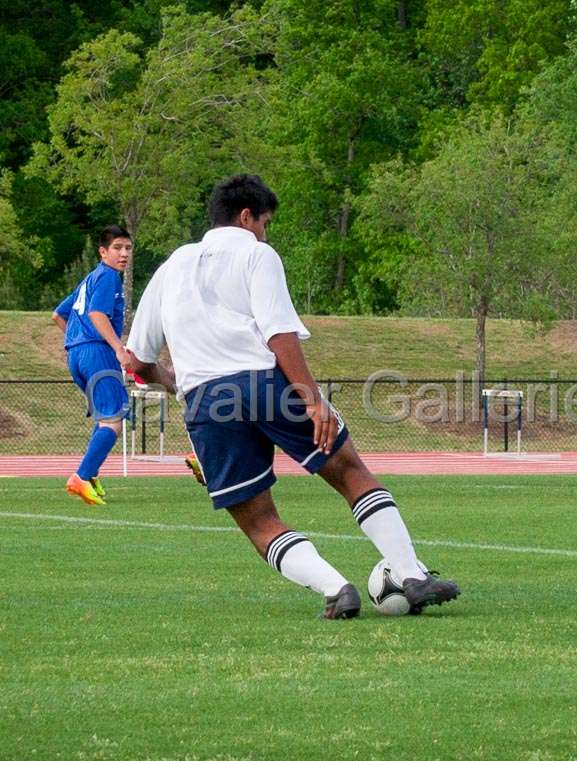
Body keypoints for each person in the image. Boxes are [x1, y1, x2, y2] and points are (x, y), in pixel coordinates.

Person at [124, 174, 461, 618]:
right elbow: (279, 332)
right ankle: (411, 575)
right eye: (265, 222)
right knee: (348, 471)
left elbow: (136, 360)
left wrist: (178, 384)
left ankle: (337, 589)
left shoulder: (171, 267)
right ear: (247, 217)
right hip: (266, 384)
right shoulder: (256, 254)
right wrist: (313, 399)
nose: (265, 231)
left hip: (207, 402)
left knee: (259, 520)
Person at [52, 225, 137, 505]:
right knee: (113, 419)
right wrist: (118, 349)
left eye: (127, 248)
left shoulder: (89, 279)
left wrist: (77, 340)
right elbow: (97, 313)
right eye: (117, 248)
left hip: (76, 355)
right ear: (103, 252)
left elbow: (58, 315)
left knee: (105, 416)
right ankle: (81, 476)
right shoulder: (110, 277)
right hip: (97, 352)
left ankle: (90, 475)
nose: (124, 254)